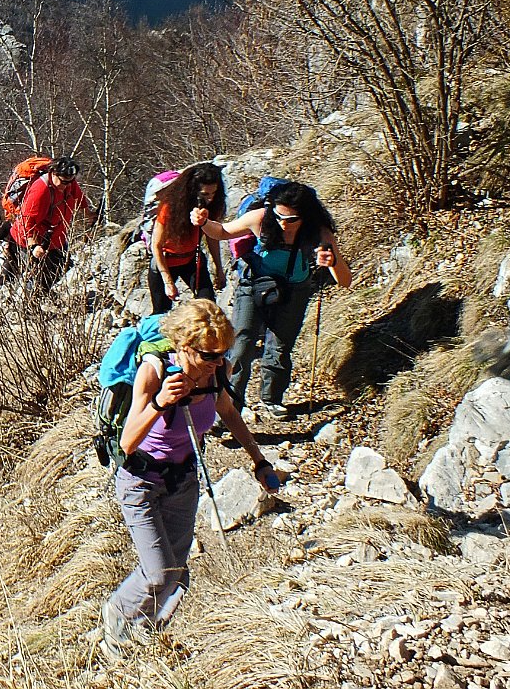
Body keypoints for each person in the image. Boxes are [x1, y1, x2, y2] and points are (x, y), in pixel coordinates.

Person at [102, 299, 275, 654]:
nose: (217, 362)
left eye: (222, 353)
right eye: (208, 355)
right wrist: (160, 403)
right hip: (141, 480)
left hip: (183, 480)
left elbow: (227, 412)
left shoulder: (216, 373)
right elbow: (128, 441)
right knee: (159, 573)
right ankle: (116, 618)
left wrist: (259, 460)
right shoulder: (154, 373)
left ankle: (142, 628)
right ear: (184, 346)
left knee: (176, 570)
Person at [196, 182, 352, 418]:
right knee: (240, 345)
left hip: (295, 291)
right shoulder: (260, 218)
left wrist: (332, 263)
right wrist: (203, 222)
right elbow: (222, 232)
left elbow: (345, 281)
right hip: (254, 285)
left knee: (280, 345)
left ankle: (271, 399)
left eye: (291, 219)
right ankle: (229, 407)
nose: (283, 223)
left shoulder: (319, 233)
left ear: (306, 216)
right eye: (279, 216)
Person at [149, 163, 227, 314]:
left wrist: (219, 269)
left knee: (208, 306)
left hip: (192, 260)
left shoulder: (212, 207)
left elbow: (213, 238)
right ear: (193, 190)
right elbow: (156, 246)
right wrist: (168, 282)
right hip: (165, 261)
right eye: (205, 194)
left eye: (213, 193)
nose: (210, 199)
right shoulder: (170, 206)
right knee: (160, 313)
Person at [8, 157, 96, 292]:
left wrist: (90, 216)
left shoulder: (68, 182)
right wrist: (34, 246)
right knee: (39, 278)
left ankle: (50, 300)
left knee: (62, 271)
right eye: (63, 182)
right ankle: (31, 305)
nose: (66, 185)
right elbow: (27, 222)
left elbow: (79, 200)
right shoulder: (40, 191)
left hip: (56, 238)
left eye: (70, 182)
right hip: (31, 240)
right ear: (53, 173)